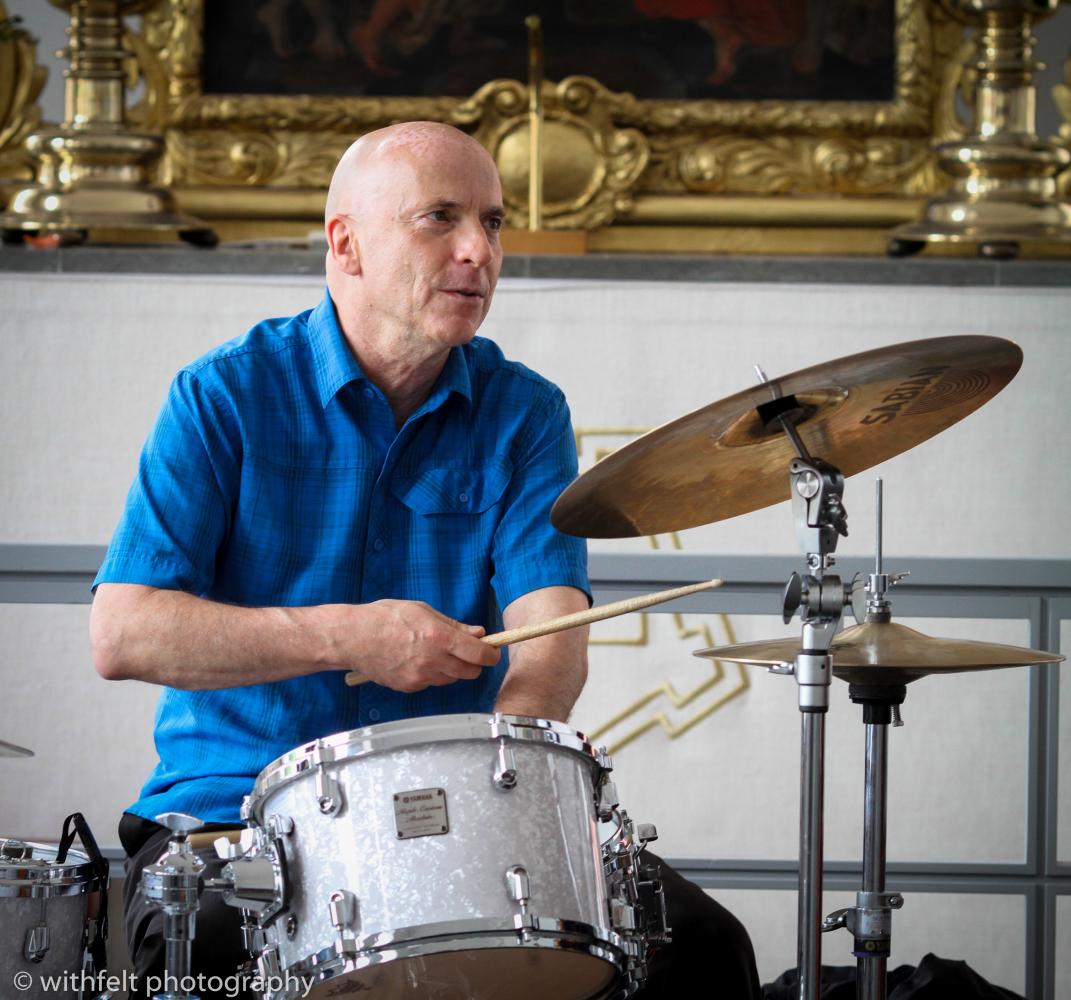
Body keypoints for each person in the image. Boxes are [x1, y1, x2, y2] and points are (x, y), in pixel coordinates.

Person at [90, 121, 759, 1000]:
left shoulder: (524, 413)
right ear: (347, 243)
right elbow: (123, 635)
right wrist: (348, 637)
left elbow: (550, 639)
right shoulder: (222, 395)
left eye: (492, 221)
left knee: (707, 946)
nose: (478, 250)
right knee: (212, 945)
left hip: (460, 818)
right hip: (233, 817)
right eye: (439, 218)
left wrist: (512, 790)